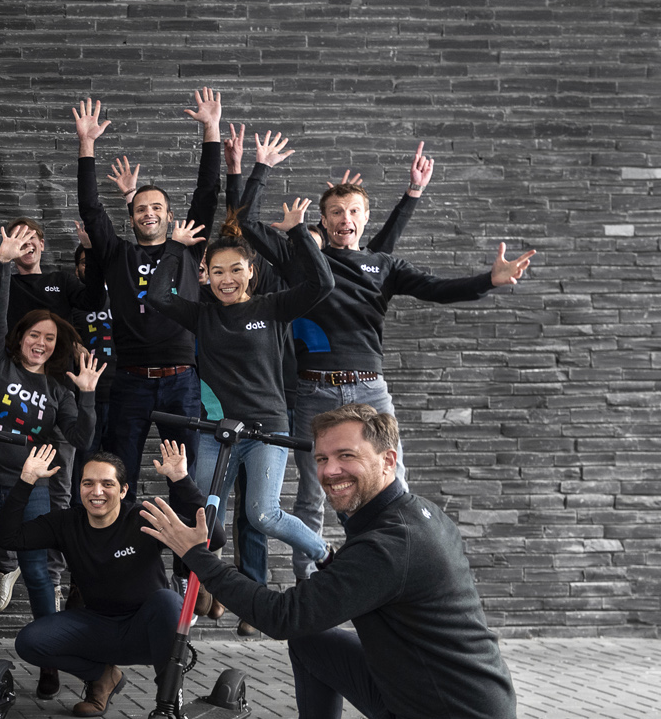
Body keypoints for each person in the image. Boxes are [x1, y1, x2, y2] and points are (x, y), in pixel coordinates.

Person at [138, 404, 556, 719]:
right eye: (321, 459)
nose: (330, 470)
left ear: (388, 459)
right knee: (314, 643)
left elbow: (283, 616)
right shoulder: (410, 514)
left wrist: (196, 555)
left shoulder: (391, 543)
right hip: (420, 697)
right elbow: (347, 593)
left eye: (346, 456)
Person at [236, 131, 534, 574]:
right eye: (336, 212)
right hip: (314, 392)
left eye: (354, 211)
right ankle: (309, 585)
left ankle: (400, 574)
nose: (346, 218)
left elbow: (437, 288)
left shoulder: (382, 265)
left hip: (370, 391)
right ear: (323, 221)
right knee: (313, 492)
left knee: (393, 483)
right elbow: (245, 222)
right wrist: (260, 168)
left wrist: (487, 280)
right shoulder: (303, 261)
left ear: (364, 218)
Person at [144, 207, 335, 570]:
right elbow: (158, 297)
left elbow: (322, 284)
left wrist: (297, 233)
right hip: (216, 431)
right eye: (217, 271)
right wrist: (174, 247)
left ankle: (324, 554)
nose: (226, 279)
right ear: (207, 274)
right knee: (205, 518)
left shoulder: (273, 307)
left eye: (235, 270)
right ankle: (204, 587)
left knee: (263, 514)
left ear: (250, 271)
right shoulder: (204, 314)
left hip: (267, 429)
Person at [0, 214, 103, 694]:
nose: (40, 343)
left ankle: (48, 658)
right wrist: (2, 267)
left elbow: (81, 439)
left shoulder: (58, 388)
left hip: (32, 488)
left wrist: (87, 395)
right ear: (20, 337)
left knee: (39, 573)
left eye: (49, 339)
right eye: (34, 335)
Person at [74, 90, 224, 494]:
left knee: (185, 479)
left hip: (181, 380)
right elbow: (90, 208)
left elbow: (207, 193)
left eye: (156, 207)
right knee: (118, 475)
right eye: (141, 208)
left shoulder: (188, 248)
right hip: (131, 380)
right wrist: (86, 144)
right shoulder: (117, 253)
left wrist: (211, 129)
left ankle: (187, 539)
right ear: (132, 218)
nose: (149, 213)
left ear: (169, 215)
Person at [0, 441, 202, 717]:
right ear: (79, 488)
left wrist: (181, 480)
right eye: (88, 483)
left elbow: (211, 538)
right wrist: (26, 480)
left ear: (123, 490)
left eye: (107, 484)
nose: (96, 492)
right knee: (30, 642)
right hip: (98, 626)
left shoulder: (144, 517)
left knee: (168, 600)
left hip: (148, 631)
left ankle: (169, 704)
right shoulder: (67, 522)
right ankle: (103, 678)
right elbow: (7, 537)